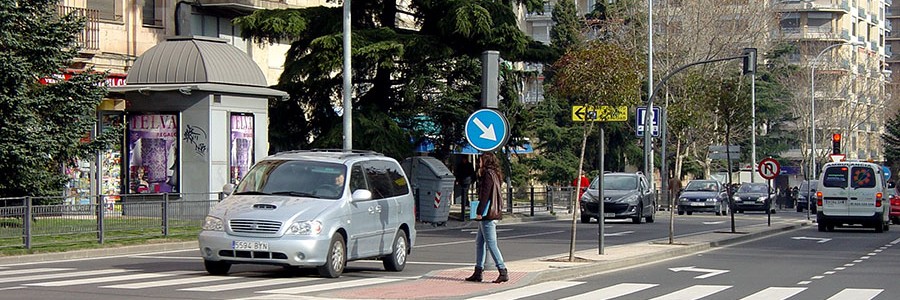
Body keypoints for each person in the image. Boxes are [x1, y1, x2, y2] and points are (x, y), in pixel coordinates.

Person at [464, 152, 509, 284]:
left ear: (486, 161)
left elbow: (485, 195)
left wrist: (479, 211)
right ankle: (478, 271)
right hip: (490, 213)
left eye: (481, 160)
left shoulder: (487, 175)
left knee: (491, 243)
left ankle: (502, 270)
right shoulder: (495, 174)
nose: (479, 163)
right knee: (480, 242)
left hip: (487, 214)